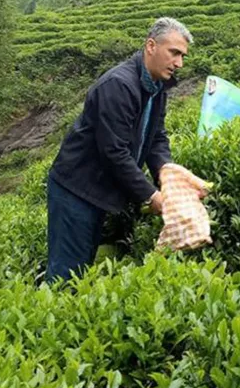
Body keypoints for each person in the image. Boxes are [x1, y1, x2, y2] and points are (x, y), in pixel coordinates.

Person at [45, 17, 194, 283]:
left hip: (99, 190)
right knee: (66, 275)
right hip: (76, 189)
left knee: (81, 269)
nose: (179, 63)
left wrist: (168, 174)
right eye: (174, 53)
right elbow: (114, 152)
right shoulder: (119, 85)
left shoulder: (157, 87)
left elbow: (156, 138)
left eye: (182, 56)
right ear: (151, 46)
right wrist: (151, 196)